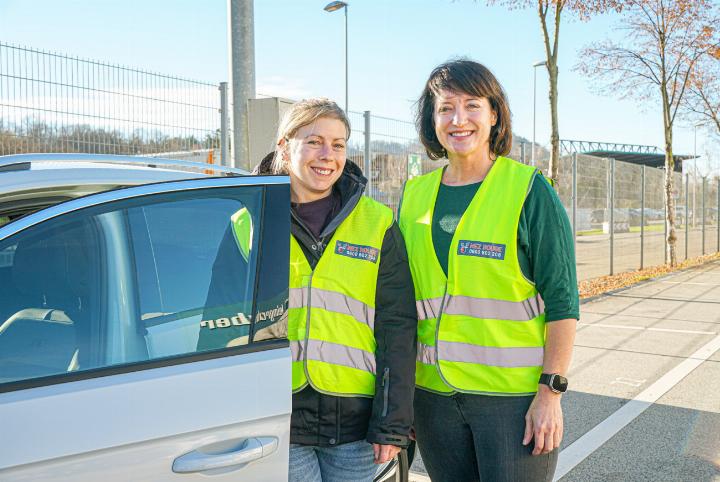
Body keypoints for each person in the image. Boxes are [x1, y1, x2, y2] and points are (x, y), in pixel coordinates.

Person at [398, 59, 579, 482]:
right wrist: (401, 397)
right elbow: (401, 305)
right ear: (432, 119)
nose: (458, 119)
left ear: (494, 113)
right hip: (434, 399)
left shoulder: (529, 190)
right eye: (445, 108)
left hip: (512, 402)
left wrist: (550, 393)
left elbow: (563, 302)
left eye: (472, 105)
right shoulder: (413, 196)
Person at [256, 98, 417, 482]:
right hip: (278, 418)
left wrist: (392, 422)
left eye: (339, 144)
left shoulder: (377, 223)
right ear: (285, 145)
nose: (327, 155)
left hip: (357, 429)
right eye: (314, 141)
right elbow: (221, 318)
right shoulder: (252, 218)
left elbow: (398, 326)